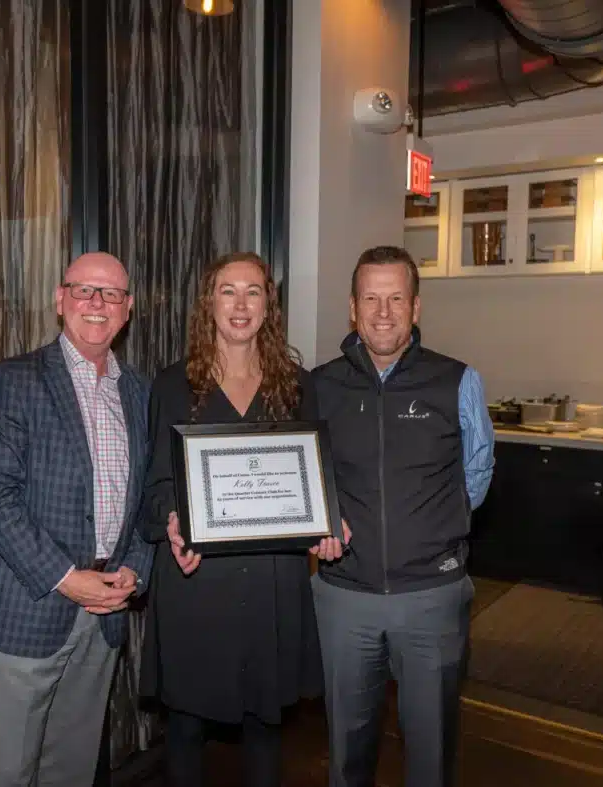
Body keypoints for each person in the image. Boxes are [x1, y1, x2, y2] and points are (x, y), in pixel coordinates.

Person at [139, 251, 348, 787]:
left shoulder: (297, 386)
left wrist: (328, 519)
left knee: (264, 728)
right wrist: (172, 522)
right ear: (208, 302)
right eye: (227, 290)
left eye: (252, 291)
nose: (239, 303)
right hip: (195, 580)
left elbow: (315, 478)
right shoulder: (170, 385)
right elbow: (158, 484)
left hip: (272, 583)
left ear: (268, 306)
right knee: (185, 729)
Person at [0, 251, 155, 787]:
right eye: (84, 290)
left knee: (70, 771)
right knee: (8, 772)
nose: (97, 303)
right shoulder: (13, 379)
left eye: (111, 293)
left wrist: (135, 570)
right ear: (59, 298)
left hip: (104, 616)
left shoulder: (138, 392)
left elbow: (145, 499)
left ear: (128, 309)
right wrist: (68, 580)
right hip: (30, 609)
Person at [311, 245, 495, 787]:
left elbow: (477, 473)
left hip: (431, 600)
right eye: (372, 298)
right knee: (346, 750)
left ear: (416, 308)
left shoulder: (456, 380)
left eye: (396, 298)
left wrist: (433, 529)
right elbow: (307, 477)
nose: (383, 312)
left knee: (431, 750)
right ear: (353, 307)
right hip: (345, 597)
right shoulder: (319, 387)